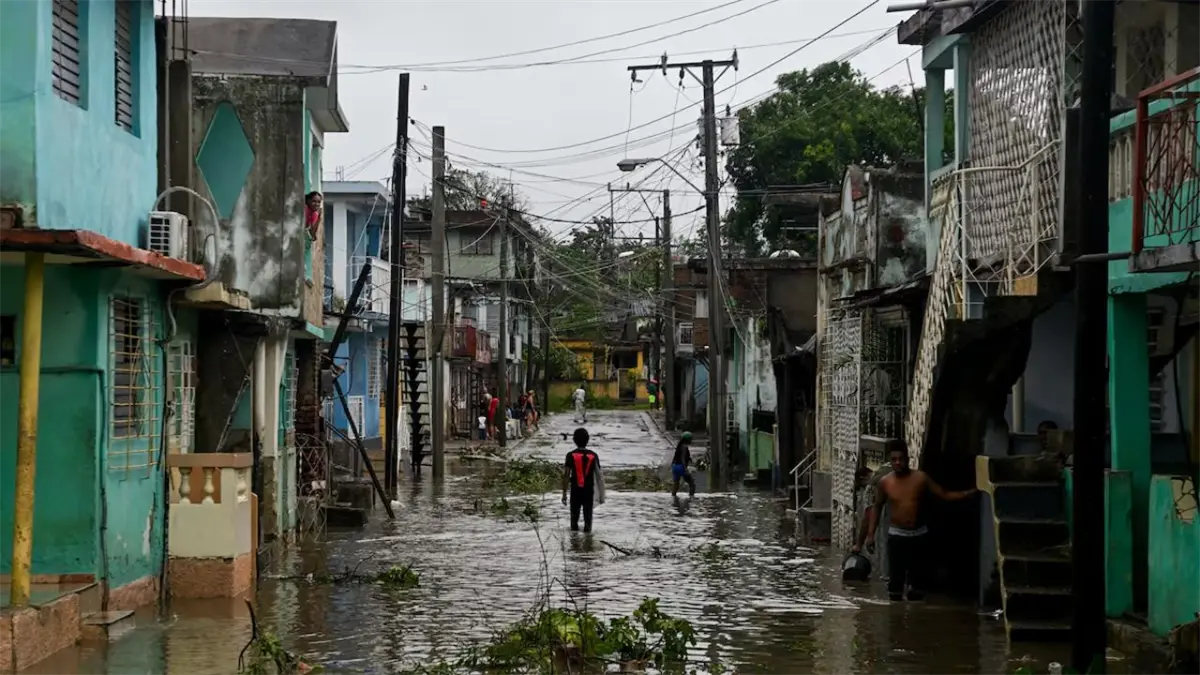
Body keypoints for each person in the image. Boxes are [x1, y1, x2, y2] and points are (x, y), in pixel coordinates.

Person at [853, 441, 976, 601]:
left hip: (919, 536)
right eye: (894, 459)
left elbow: (943, 494)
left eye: (901, 459)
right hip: (896, 537)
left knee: (918, 587)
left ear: (908, 459)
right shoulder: (885, 482)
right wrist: (870, 535)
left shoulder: (920, 478)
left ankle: (914, 619)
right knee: (895, 587)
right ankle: (896, 621)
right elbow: (876, 508)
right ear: (890, 460)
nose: (898, 463)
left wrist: (968, 493)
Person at [562, 428, 606, 532]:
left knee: (573, 522)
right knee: (588, 521)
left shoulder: (570, 455)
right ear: (588, 440)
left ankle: (574, 544)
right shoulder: (593, 455)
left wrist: (564, 493)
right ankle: (588, 544)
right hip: (588, 492)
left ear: (574, 440)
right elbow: (599, 477)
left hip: (575, 491)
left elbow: (566, 476)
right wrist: (601, 495)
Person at [671, 432, 696, 497]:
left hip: (675, 467)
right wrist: (685, 468)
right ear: (687, 440)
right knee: (692, 484)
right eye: (690, 439)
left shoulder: (679, 446)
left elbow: (676, 457)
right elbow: (682, 458)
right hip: (681, 467)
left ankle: (674, 498)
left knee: (676, 484)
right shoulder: (684, 447)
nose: (691, 440)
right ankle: (691, 498)